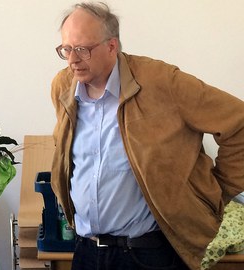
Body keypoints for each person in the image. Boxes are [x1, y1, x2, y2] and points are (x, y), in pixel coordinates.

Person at [50, 2, 244, 270]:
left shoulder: (162, 82)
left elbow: (239, 122)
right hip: (86, 250)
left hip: (146, 255)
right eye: (66, 49)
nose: (72, 59)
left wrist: (216, 192)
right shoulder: (63, 86)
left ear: (111, 46)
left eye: (82, 49)